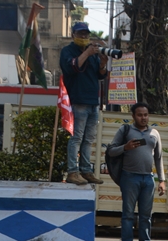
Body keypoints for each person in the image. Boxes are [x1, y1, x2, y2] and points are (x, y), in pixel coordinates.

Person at [107, 103, 166, 241]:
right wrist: (125, 148)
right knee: (128, 214)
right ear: (133, 116)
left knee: (146, 215)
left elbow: (158, 158)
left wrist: (162, 180)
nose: (143, 118)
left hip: (148, 178)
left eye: (146, 115)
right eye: (139, 115)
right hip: (129, 177)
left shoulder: (154, 133)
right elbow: (111, 151)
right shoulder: (125, 130)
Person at [60, 21, 107, 186]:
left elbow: (100, 75)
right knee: (77, 137)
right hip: (78, 100)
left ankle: (86, 170)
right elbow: (72, 67)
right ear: (73, 35)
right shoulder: (68, 51)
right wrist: (87, 52)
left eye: (86, 34)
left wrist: (103, 62)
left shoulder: (93, 53)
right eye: (80, 34)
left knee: (89, 139)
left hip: (94, 101)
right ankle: (73, 171)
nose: (84, 36)